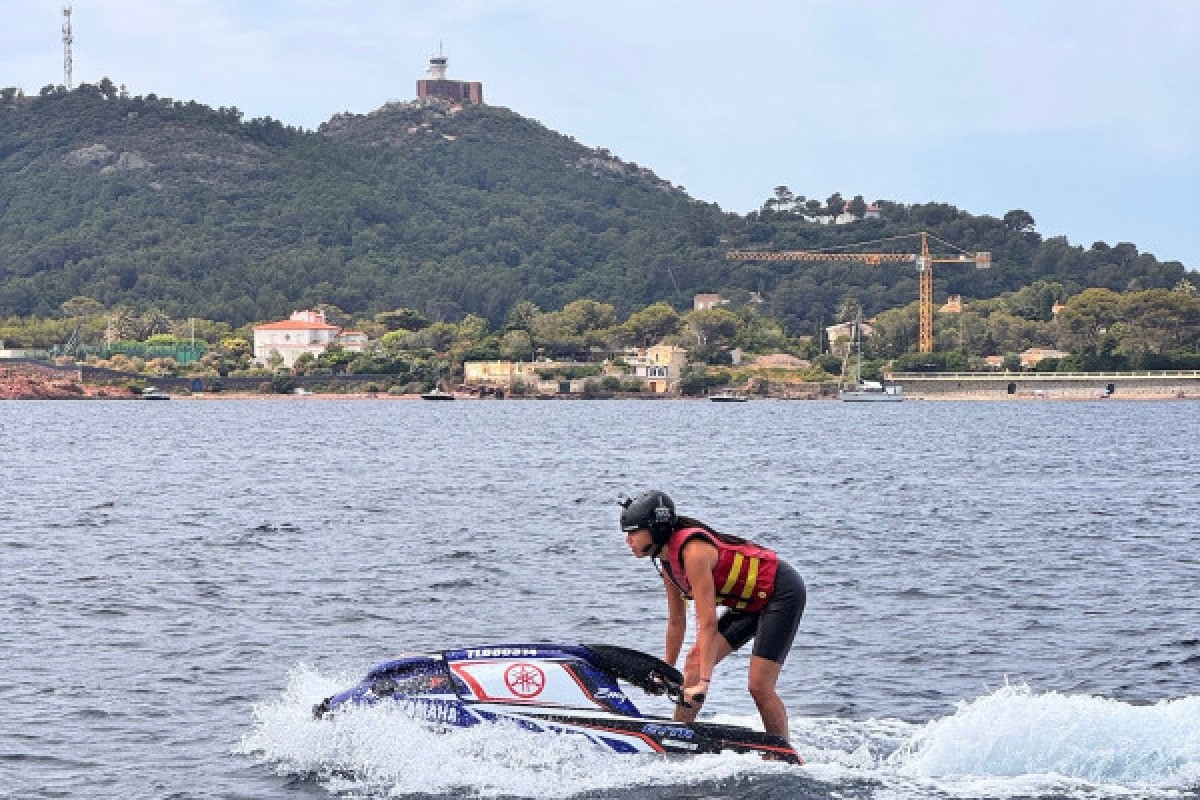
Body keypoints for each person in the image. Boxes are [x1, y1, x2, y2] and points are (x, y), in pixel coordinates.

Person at [620, 490, 805, 740]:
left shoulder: (694, 552)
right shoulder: (666, 562)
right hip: (748, 603)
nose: (628, 540)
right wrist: (665, 668)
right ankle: (677, 736)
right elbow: (677, 621)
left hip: (780, 593)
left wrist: (704, 683)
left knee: (759, 686)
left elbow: (706, 622)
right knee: (694, 661)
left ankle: (783, 750)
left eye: (633, 532)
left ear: (656, 529)